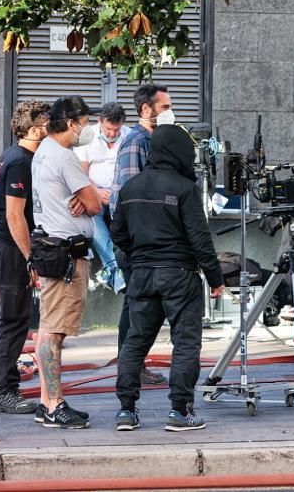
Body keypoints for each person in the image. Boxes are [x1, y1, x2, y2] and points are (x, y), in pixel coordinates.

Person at [111, 124, 224, 432]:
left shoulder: (131, 188)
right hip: (180, 275)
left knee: (135, 342)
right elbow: (201, 240)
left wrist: (138, 255)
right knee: (185, 342)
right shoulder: (184, 188)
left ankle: (125, 410)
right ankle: (180, 411)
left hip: (142, 274)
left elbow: (117, 233)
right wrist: (215, 278)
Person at [32, 95, 102, 428]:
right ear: (72, 123)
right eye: (86, 123)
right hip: (66, 255)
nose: (88, 130)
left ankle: (46, 401)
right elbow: (95, 204)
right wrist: (91, 195)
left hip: (52, 248)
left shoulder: (43, 151)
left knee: (48, 327)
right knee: (54, 332)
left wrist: (84, 196)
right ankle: (54, 405)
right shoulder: (64, 157)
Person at [0, 101, 49, 414]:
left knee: (0, 319)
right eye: (48, 123)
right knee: (13, 321)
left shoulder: (10, 154)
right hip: (11, 249)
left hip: (2, 247)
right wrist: (30, 258)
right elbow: (13, 214)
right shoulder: (22, 161)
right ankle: (4, 391)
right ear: (36, 128)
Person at [110, 83, 173, 386]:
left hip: (148, 239)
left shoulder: (153, 141)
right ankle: (130, 366)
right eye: (164, 107)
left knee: (143, 303)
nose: (169, 112)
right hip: (137, 240)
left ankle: (133, 363)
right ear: (146, 109)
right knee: (138, 304)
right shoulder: (136, 142)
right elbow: (130, 195)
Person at [74, 102, 130, 293]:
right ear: (99, 122)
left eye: (116, 129)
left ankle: (111, 272)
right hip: (93, 191)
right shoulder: (86, 137)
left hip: (121, 194)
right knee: (94, 226)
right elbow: (81, 173)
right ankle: (115, 269)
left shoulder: (129, 135)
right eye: (108, 129)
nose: (113, 133)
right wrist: (96, 192)